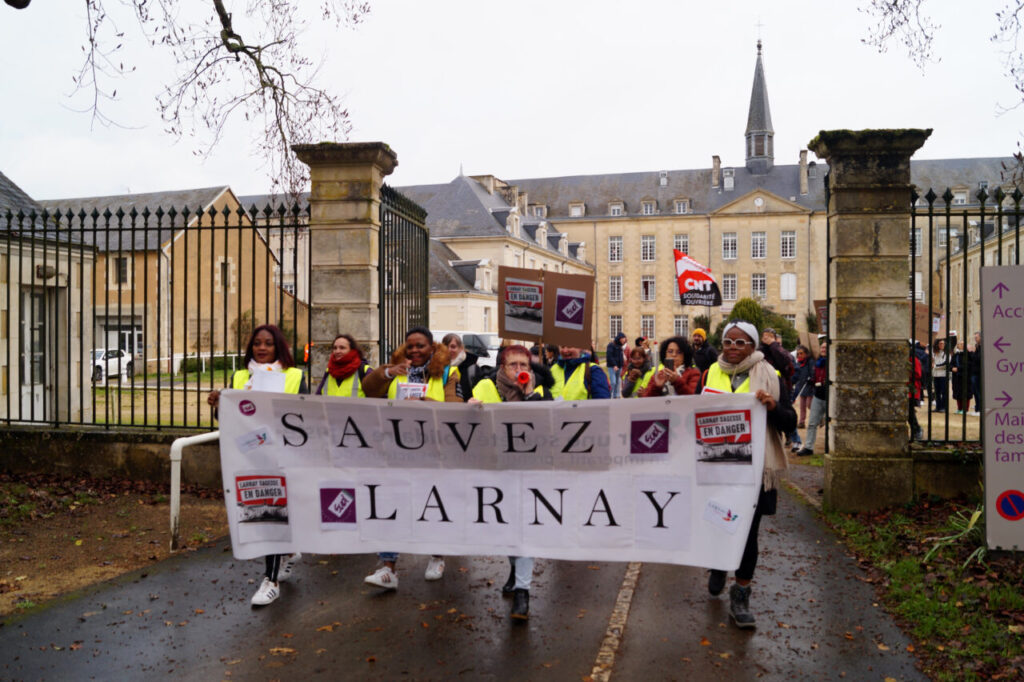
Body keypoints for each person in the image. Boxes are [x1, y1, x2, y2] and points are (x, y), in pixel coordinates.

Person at [699, 321, 796, 629]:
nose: (733, 347)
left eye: (741, 343)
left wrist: (772, 406)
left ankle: (740, 595)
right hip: (715, 464)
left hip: (754, 468)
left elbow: (790, 420)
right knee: (717, 521)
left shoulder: (769, 373)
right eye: (728, 341)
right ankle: (718, 563)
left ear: (754, 346)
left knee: (747, 532)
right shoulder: (710, 372)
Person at [207, 324, 306, 608]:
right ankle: (287, 554)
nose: (262, 348)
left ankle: (271, 581)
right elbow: (230, 421)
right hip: (251, 457)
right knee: (268, 514)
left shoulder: (295, 376)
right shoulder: (240, 376)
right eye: (257, 344)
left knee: (273, 514)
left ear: (279, 348)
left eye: (268, 343)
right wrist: (218, 406)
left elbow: (302, 418)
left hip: (283, 455)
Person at [360, 326, 462, 589]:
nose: (414, 350)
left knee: (433, 503)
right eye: (410, 346)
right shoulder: (395, 369)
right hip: (397, 449)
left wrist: (428, 404)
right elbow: (368, 390)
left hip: (434, 450)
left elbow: (456, 410)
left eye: (420, 346)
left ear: (432, 347)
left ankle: (437, 556)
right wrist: (387, 372)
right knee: (391, 504)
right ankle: (388, 567)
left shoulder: (448, 373)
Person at [468, 345, 550, 620]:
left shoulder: (540, 389)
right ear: (502, 367)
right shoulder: (484, 387)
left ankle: (522, 593)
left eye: (524, 366)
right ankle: (515, 570)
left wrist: (530, 397)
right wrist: (470, 410)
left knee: (524, 530)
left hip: (530, 471)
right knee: (506, 527)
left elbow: (549, 424)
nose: (519, 371)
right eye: (513, 365)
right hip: (497, 469)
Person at [795, 341, 827, 457]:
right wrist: (812, 380)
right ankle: (808, 447)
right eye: (822, 347)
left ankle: (830, 447)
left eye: (825, 347)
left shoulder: (832, 361)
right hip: (818, 395)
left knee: (831, 424)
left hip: (829, 396)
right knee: (812, 423)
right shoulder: (817, 362)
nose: (823, 349)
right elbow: (815, 376)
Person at [442, 333, 479, 402]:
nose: (449, 350)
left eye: (453, 347)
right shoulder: (438, 367)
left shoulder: (471, 367)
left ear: (461, 348)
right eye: (446, 347)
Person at [605, 332, 627, 398]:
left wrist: (622, 363)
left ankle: (616, 395)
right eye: (624, 339)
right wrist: (614, 365)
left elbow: (620, 356)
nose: (624, 340)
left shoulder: (620, 346)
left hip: (619, 367)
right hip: (612, 367)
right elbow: (609, 356)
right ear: (620, 338)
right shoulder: (611, 345)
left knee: (618, 382)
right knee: (613, 382)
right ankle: (609, 395)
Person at [909, 348, 924, 441]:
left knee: (909, 412)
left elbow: (918, 374)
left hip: (911, 389)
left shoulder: (914, 359)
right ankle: (915, 430)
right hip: (907, 389)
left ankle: (917, 429)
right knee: (908, 412)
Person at [932, 338, 948, 412]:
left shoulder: (946, 353)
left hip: (943, 375)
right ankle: (938, 407)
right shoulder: (934, 352)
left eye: (943, 343)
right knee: (937, 392)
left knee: (944, 392)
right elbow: (932, 361)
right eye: (940, 343)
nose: (942, 345)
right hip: (935, 375)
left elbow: (946, 364)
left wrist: (935, 366)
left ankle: (944, 407)